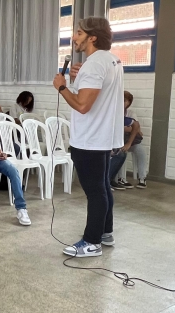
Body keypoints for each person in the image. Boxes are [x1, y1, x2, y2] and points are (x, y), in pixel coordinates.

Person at [53, 17, 123, 258]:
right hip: (102, 137)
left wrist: (62, 87)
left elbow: (83, 106)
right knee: (103, 188)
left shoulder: (94, 63)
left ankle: (91, 242)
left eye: (79, 33)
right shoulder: (112, 59)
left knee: (95, 192)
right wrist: (78, 78)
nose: (74, 37)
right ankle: (105, 232)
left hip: (89, 138)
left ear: (92, 37)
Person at [114, 91, 147, 190]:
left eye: (124, 101)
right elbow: (131, 128)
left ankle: (142, 178)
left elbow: (137, 129)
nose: (122, 103)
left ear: (129, 103)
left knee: (141, 151)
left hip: (130, 141)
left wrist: (132, 129)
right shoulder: (114, 112)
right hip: (117, 142)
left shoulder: (131, 113)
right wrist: (131, 128)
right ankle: (121, 178)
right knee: (122, 151)